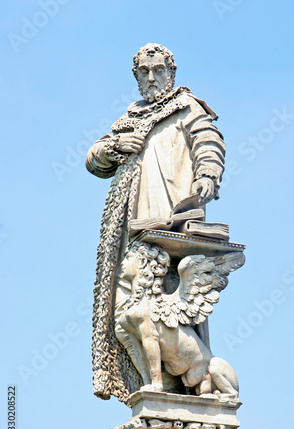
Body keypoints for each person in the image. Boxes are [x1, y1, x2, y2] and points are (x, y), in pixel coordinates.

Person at [86, 43, 226, 402]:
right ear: (136, 77)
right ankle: (149, 386)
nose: (152, 78)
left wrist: (208, 173)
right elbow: (93, 158)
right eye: (144, 72)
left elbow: (208, 140)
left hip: (172, 222)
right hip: (133, 229)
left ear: (171, 73)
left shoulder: (186, 106)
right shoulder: (130, 118)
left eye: (159, 71)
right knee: (124, 312)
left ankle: (182, 390)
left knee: (171, 309)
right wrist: (117, 146)